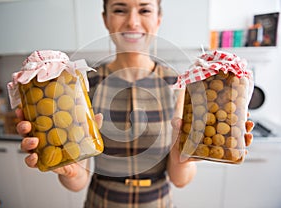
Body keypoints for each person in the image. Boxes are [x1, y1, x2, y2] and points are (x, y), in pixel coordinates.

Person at [16, 0, 254, 207]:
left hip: (158, 202)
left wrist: (185, 156)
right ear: (105, 19)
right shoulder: (81, 85)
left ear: (158, 19)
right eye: (120, 10)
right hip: (102, 201)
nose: (132, 21)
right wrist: (69, 169)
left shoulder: (180, 84)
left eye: (144, 10)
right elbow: (77, 181)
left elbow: (180, 179)